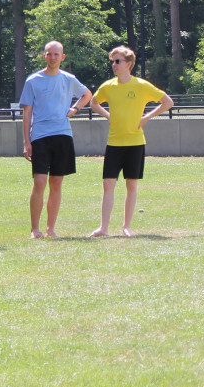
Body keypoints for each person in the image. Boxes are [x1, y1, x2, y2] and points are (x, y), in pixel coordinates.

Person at [88, 46, 174, 237]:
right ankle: (103, 228)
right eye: (112, 61)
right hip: (114, 143)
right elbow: (93, 102)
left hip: (135, 143)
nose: (114, 65)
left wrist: (146, 118)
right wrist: (107, 115)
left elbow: (168, 102)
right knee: (108, 184)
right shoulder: (108, 86)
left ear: (129, 64)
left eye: (117, 61)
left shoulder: (141, 85)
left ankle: (126, 226)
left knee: (131, 184)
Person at [20, 40, 93, 239]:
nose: (52, 57)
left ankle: (51, 229)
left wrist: (74, 109)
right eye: (49, 54)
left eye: (56, 54)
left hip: (63, 135)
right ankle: (35, 229)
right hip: (40, 136)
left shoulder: (69, 79)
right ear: (44, 56)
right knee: (40, 181)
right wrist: (27, 142)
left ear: (63, 57)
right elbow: (27, 113)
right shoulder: (33, 80)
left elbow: (87, 94)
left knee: (57, 182)